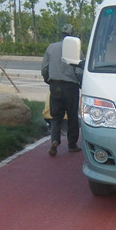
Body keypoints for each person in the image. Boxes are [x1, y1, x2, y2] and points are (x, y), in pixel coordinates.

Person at [41, 24, 81, 156]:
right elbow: (79, 70)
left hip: (55, 85)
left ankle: (54, 141)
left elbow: (44, 68)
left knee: (56, 117)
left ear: (61, 34)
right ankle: (72, 145)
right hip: (71, 87)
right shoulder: (76, 49)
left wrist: (48, 79)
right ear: (73, 35)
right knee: (72, 116)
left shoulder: (51, 47)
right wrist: (81, 83)